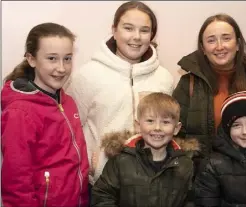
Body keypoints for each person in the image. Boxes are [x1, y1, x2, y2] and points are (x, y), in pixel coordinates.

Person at [65, 1, 174, 189]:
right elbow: (69, 130)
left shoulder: (164, 78)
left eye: (144, 30)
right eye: (128, 28)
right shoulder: (88, 75)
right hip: (102, 185)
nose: (136, 37)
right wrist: (91, 164)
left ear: (152, 35)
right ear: (114, 31)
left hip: (151, 183)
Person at [1, 22, 89, 207]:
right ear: (31, 59)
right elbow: (16, 183)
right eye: (52, 58)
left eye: (67, 58)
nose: (62, 68)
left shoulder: (68, 102)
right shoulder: (20, 112)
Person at [172, 13, 246, 157]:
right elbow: (174, 134)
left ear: (238, 44)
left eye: (226, 38)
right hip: (203, 175)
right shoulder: (188, 83)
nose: (219, 46)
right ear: (202, 48)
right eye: (211, 40)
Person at [91, 92, 199, 207]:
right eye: (150, 121)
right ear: (138, 125)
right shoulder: (120, 161)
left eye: (165, 122)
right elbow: (102, 197)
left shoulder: (185, 164)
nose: (157, 128)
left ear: (176, 128)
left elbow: (190, 201)